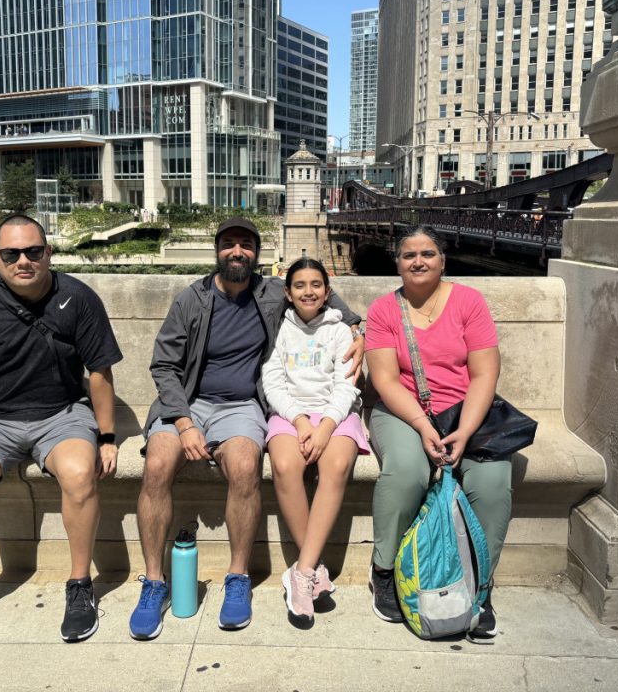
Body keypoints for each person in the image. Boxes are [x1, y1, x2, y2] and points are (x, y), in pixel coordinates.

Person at [128, 218, 365, 640]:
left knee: (243, 466)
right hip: (187, 403)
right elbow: (163, 365)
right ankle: (153, 582)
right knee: (158, 465)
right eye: (229, 244)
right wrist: (183, 422)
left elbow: (324, 297)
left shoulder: (270, 291)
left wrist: (356, 328)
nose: (237, 252)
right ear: (217, 250)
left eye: (246, 245)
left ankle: (238, 578)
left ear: (256, 253)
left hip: (240, 406)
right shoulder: (192, 299)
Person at [0, 214, 123, 655]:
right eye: (11, 253)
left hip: (62, 414)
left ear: (48, 253)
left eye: (33, 251)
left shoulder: (78, 298)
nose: (23, 261)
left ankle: (79, 586)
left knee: (80, 474)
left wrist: (108, 437)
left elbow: (99, 372)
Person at [364, 225, 509, 644]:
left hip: (464, 413)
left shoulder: (469, 302)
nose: (419, 261)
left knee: (492, 482)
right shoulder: (383, 311)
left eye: (428, 253)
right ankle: (385, 570)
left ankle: (479, 587)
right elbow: (386, 380)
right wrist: (425, 426)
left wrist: (464, 431)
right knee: (407, 471)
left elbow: (485, 373)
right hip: (402, 412)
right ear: (398, 264)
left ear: (443, 260)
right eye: (409, 255)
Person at [261, 258, 369, 625]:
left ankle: (301, 571)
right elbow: (272, 382)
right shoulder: (278, 329)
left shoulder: (341, 332)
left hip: (336, 414)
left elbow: (346, 384)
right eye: (300, 285)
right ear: (288, 293)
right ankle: (315, 567)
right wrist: (299, 419)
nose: (309, 291)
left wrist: (325, 427)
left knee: (335, 465)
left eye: (317, 285)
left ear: (328, 291)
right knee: (286, 465)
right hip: (291, 413)